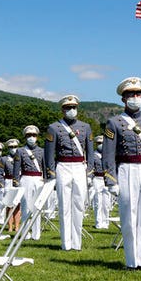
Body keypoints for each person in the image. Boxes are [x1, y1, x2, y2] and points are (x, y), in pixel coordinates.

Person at [103, 77, 141, 270]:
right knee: (129, 217)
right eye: (131, 94)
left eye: (138, 94)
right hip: (126, 169)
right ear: (123, 99)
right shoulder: (114, 123)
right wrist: (111, 179)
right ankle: (131, 261)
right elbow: (108, 153)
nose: (135, 98)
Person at [45, 94, 93, 251]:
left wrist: (90, 172)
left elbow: (90, 152)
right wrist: (51, 173)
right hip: (63, 166)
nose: (71, 110)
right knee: (64, 205)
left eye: (74, 107)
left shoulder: (85, 127)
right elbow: (49, 153)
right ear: (63, 109)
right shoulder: (54, 128)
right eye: (68, 108)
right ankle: (66, 243)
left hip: (80, 166)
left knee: (79, 204)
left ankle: (77, 242)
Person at [14, 125, 46, 240]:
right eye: (29, 135)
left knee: (37, 207)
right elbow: (16, 168)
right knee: (25, 206)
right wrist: (16, 181)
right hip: (26, 179)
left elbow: (45, 167)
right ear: (25, 137)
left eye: (33, 135)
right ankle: (25, 233)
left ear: (37, 137)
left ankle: (36, 234)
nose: (31, 137)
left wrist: (46, 182)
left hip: (38, 179)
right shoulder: (20, 151)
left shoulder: (42, 151)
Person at [92, 135, 110, 229]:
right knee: (97, 202)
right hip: (97, 178)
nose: (101, 145)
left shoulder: (108, 155)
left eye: (102, 143)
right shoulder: (93, 155)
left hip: (106, 179)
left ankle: (106, 222)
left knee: (106, 202)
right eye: (99, 143)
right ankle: (98, 222)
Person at [3, 139, 22, 231]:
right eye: (11, 147)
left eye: (15, 147)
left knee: (18, 205)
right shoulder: (4, 159)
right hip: (9, 181)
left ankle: (17, 226)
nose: (13, 149)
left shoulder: (21, 156)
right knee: (9, 205)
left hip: (19, 181)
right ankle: (10, 226)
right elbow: (0, 173)